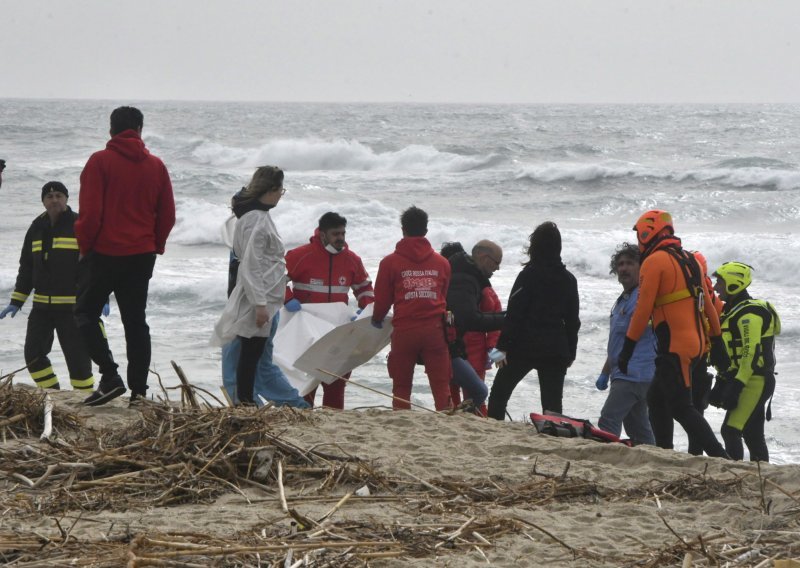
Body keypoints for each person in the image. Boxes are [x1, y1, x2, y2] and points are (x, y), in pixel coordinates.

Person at [74, 106, 176, 407]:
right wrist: (155, 245)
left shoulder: (99, 162)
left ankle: (109, 376)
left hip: (105, 253)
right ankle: (139, 393)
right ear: (140, 129)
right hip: (141, 254)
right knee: (135, 322)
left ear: (111, 130)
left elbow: (91, 214)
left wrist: (84, 248)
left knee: (84, 314)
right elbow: (167, 215)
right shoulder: (156, 166)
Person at [618, 210, 728, 458]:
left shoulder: (654, 261)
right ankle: (665, 452)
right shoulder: (689, 258)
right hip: (698, 345)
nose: (639, 242)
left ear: (648, 232)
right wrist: (717, 341)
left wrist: (627, 349)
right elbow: (709, 304)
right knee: (656, 398)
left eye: (639, 236)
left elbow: (643, 310)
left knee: (681, 408)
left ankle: (721, 457)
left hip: (676, 346)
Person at [0, 182, 95, 391]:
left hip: (73, 308)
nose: (54, 200)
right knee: (33, 356)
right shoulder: (36, 227)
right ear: (43, 201)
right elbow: (26, 266)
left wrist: (100, 295)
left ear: (67, 199)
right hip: (41, 308)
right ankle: (53, 394)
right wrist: (17, 300)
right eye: (49, 196)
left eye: (59, 195)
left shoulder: (80, 224)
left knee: (79, 360)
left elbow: (94, 264)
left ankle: (85, 400)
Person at [218, 192, 309, 409]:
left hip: (253, 309)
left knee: (236, 369)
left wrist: (258, 306)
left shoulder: (249, 238)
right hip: (264, 307)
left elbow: (253, 275)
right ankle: (294, 405)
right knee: (262, 366)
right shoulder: (255, 232)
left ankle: (251, 407)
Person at [487, 222, 580, 420]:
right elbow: (573, 321)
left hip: (523, 346)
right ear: (558, 247)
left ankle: (494, 429)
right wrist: (571, 351)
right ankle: (553, 438)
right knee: (552, 406)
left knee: (499, 395)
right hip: (556, 348)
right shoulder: (569, 279)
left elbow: (514, 314)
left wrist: (501, 347)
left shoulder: (528, 276)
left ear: (534, 247)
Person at [212, 166, 287, 405]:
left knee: (251, 353)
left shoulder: (254, 215)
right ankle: (245, 402)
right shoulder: (256, 219)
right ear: (271, 189)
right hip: (257, 295)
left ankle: (245, 401)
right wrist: (260, 304)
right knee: (251, 354)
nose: (280, 196)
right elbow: (252, 264)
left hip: (258, 293)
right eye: (280, 190)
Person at [284, 212, 375, 409]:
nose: (340, 238)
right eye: (335, 234)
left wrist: (366, 308)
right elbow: (274, 279)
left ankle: (333, 420)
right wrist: (287, 298)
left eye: (343, 233)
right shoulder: (300, 255)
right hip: (306, 332)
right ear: (323, 234)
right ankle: (303, 416)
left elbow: (364, 287)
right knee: (305, 381)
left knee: (336, 381)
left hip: (338, 332)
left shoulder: (352, 260)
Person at [372, 206, 452, 411]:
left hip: (405, 330)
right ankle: (445, 419)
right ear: (426, 230)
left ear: (403, 229)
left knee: (401, 386)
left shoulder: (389, 263)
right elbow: (443, 296)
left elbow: (382, 300)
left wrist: (377, 318)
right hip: (435, 330)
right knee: (441, 385)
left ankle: (402, 420)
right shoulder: (442, 263)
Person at [709, 262, 780, 462]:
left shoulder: (750, 314)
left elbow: (749, 353)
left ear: (733, 283)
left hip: (755, 381)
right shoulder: (733, 310)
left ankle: (736, 473)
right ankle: (760, 473)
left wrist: (736, 386)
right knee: (752, 434)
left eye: (720, 282)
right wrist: (723, 381)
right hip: (746, 379)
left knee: (730, 430)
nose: (715, 288)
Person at [595, 243, 656, 445]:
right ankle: (651, 459)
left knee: (608, 419)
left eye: (630, 263)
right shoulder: (623, 300)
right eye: (620, 264)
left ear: (642, 267)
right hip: (623, 372)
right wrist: (605, 372)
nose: (623, 268)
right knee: (637, 426)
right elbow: (618, 342)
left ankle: (606, 457)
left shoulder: (644, 296)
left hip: (635, 373)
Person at [443, 240, 505, 413]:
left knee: (461, 395)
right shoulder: (467, 282)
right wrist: (495, 352)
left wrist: (495, 353)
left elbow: (494, 322)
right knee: (460, 395)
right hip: (461, 349)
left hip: (471, 351)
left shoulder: (481, 288)